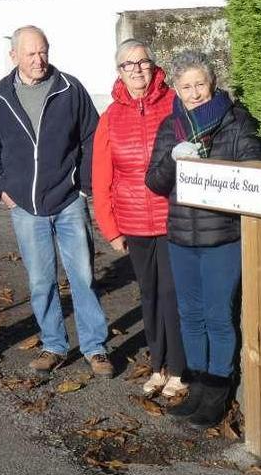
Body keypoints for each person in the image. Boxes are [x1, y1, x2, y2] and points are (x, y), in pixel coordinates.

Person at [0, 26, 112, 378]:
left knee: (82, 276)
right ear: (14, 56)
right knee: (40, 281)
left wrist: (82, 186)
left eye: (43, 52)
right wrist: (0, 186)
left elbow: (91, 139)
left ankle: (95, 347)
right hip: (25, 206)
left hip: (68, 201)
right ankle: (53, 345)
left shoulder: (70, 89)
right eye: (30, 54)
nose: (39, 60)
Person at [145, 50, 261, 427]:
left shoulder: (236, 122)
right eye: (185, 87)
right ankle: (196, 385)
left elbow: (253, 172)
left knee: (217, 315)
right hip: (181, 237)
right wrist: (174, 161)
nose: (194, 93)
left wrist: (217, 170)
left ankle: (218, 390)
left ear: (212, 84)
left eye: (200, 84)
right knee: (190, 315)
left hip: (221, 238)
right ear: (176, 90)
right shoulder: (171, 128)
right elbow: (155, 182)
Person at [92, 39, 187, 397]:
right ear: (119, 71)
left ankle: (178, 369)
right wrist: (111, 227)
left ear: (153, 65)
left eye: (142, 62)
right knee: (148, 294)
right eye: (127, 64)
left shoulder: (175, 104)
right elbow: (101, 177)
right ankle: (157, 364)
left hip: (171, 217)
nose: (136, 69)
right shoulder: (111, 117)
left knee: (171, 293)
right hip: (133, 221)